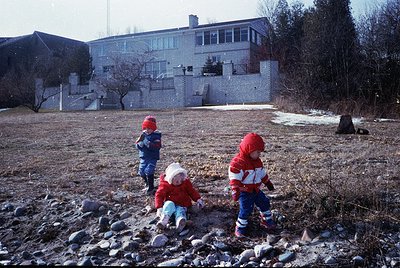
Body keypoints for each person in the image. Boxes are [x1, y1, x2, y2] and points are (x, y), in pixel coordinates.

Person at [229, 132, 276, 238]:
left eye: (260, 152)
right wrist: (235, 190)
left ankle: (266, 220)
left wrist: (267, 182)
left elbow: (261, 173)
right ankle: (240, 227)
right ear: (249, 150)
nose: (259, 154)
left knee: (264, 203)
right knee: (246, 209)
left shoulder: (258, 162)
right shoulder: (238, 163)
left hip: (256, 189)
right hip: (245, 191)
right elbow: (234, 178)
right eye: (258, 152)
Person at [155, 162, 204, 232]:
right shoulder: (165, 185)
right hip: (171, 206)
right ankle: (163, 220)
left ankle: (180, 221)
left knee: (180, 210)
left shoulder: (185, 182)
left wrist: (198, 199)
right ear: (170, 179)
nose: (179, 182)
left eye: (181, 180)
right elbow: (159, 195)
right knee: (168, 204)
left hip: (182, 204)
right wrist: (159, 207)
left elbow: (192, 191)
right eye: (177, 181)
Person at [135, 115, 162, 195]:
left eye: (149, 128)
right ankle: (147, 184)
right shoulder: (143, 135)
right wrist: (139, 144)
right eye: (145, 128)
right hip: (143, 157)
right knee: (141, 171)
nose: (147, 130)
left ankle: (151, 187)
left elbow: (156, 147)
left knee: (149, 171)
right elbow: (137, 145)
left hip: (152, 157)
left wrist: (147, 142)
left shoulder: (156, 136)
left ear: (153, 128)